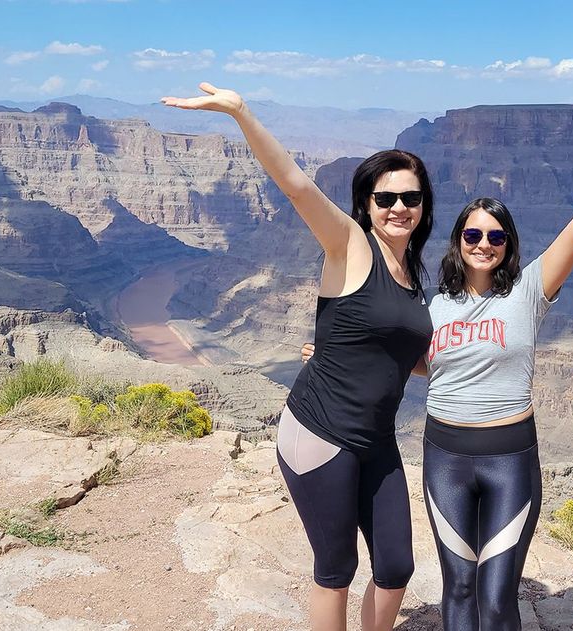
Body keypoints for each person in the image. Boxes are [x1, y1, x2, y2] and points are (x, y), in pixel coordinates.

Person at [303, 104, 573, 629]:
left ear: (509, 246)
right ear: (458, 241)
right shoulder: (433, 308)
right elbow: (414, 363)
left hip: (509, 459)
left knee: (498, 595)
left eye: (496, 237)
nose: (484, 245)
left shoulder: (530, 291)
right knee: (457, 588)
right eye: (473, 235)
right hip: (445, 458)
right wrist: (335, 356)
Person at [163, 83, 435, 631]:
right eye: (386, 198)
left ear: (424, 205)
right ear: (366, 205)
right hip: (321, 432)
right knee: (336, 568)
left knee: (396, 566)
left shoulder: (414, 275)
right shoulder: (350, 245)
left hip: (376, 437)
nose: (399, 207)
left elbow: (410, 358)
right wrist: (241, 113)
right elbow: (295, 186)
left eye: (410, 197)